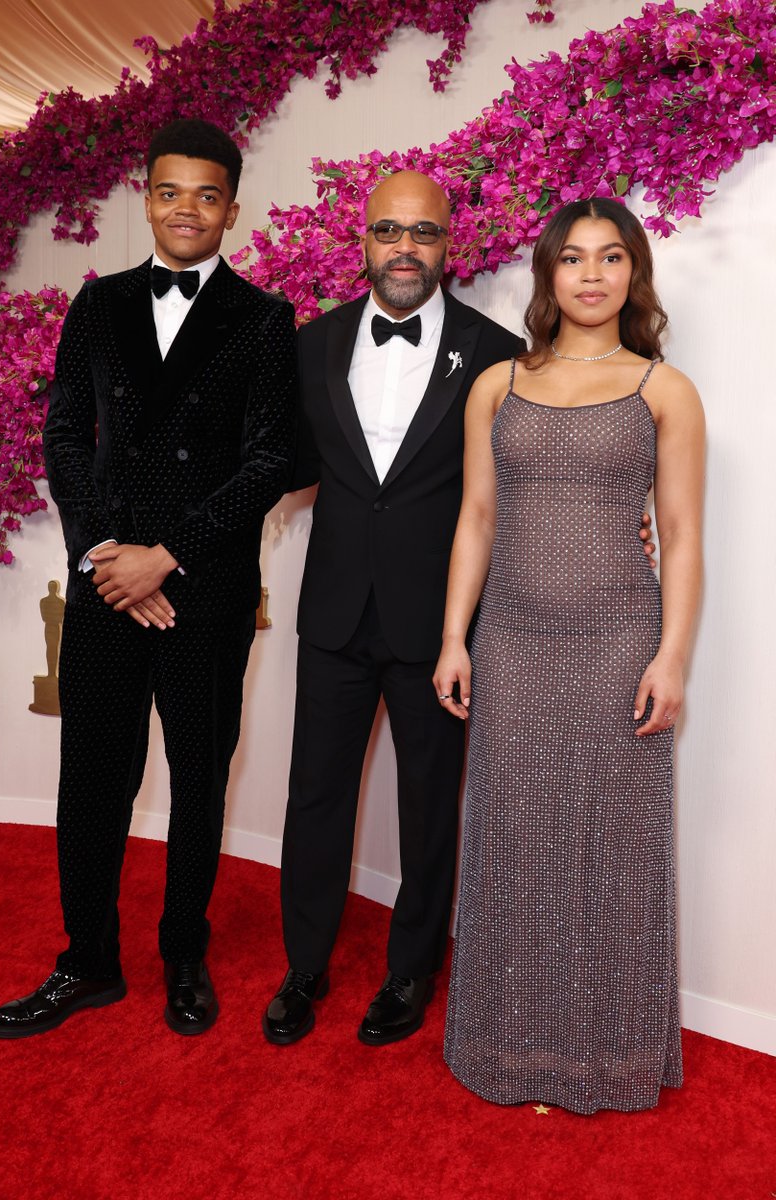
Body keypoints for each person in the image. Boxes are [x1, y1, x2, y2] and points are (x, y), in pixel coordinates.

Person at [263, 173, 655, 1048]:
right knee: (314, 795)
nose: (406, 248)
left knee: (432, 802)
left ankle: (410, 972)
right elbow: (281, 462)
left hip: (441, 624)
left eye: (425, 233)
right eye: (388, 231)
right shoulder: (313, 343)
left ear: (450, 243)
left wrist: (622, 510)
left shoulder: (494, 353)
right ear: (362, 240)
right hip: (331, 610)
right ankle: (304, 967)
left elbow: (521, 474)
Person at [0, 119, 297, 1039]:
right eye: (171, 192)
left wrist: (168, 555)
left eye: (208, 195)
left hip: (202, 587)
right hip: (104, 582)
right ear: (148, 199)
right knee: (90, 777)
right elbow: (63, 436)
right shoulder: (97, 304)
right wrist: (105, 555)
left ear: (233, 210)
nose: (187, 209)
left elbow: (271, 460)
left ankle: (182, 955)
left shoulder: (265, 319)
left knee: (199, 779)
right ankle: (86, 961)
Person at [434, 198, 704, 1113]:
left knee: (610, 852)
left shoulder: (663, 389)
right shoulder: (496, 386)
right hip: (509, 640)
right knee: (514, 841)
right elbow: (475, 519)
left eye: (612, 257)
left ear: (634, 274)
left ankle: (607, 1058)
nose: (592, 274)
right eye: (573, 258)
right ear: (548, 274)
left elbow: (684, 535)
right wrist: (452, 638)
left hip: (618, 645)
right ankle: (509, 1049)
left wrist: (672, 658)